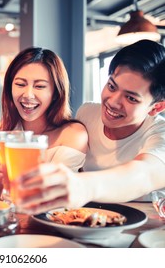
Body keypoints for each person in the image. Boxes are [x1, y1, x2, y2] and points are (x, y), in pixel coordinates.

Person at [15, 39, 165, 214]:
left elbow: (143, 175)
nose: (113, 102)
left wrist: (82, 185)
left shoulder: (159, 133)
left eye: (131, 98)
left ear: (157, 107)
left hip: (146, 230)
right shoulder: (87, 113)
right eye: (111, 86)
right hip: (89, 222)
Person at [0, 47, 88, 171]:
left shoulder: (73, 134)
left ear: (56, 93)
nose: (28, 95)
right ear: (9, 88)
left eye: (40, 86)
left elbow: (53, 186)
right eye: (20, 84)